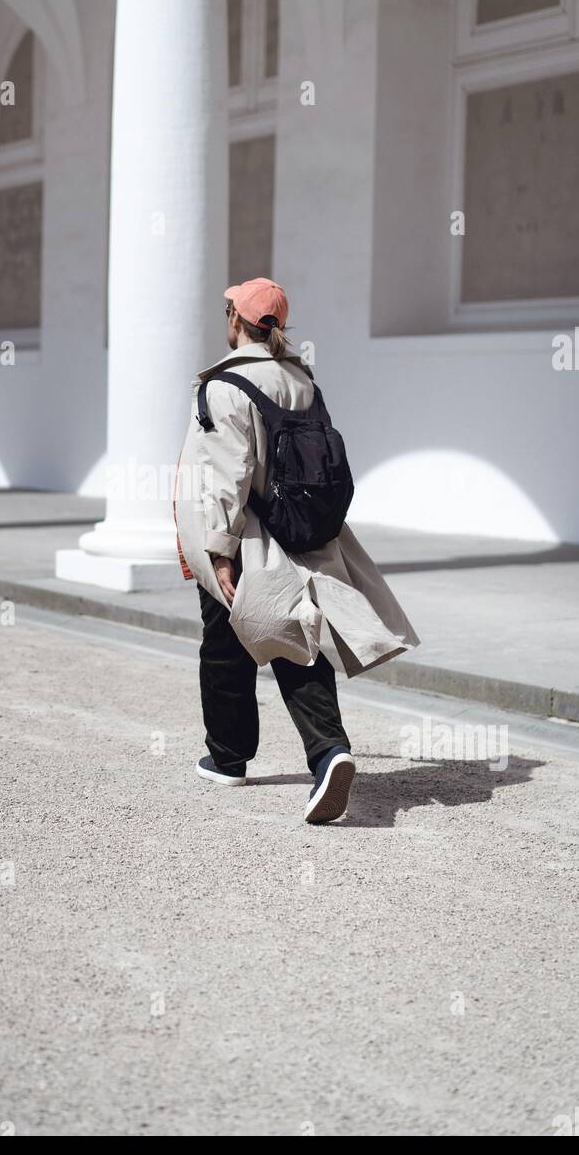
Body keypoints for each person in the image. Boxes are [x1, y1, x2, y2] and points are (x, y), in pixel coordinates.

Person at [174, 278, 419, 824]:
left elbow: (226, 476)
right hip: (300, 530)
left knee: (236, 641)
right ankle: (269, 755)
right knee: (280, 636)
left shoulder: (224, 384)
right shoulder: (301, 378)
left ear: (235, 320)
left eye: (228, 311)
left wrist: (218, 550)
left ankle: (288, 754)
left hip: (247, 535)